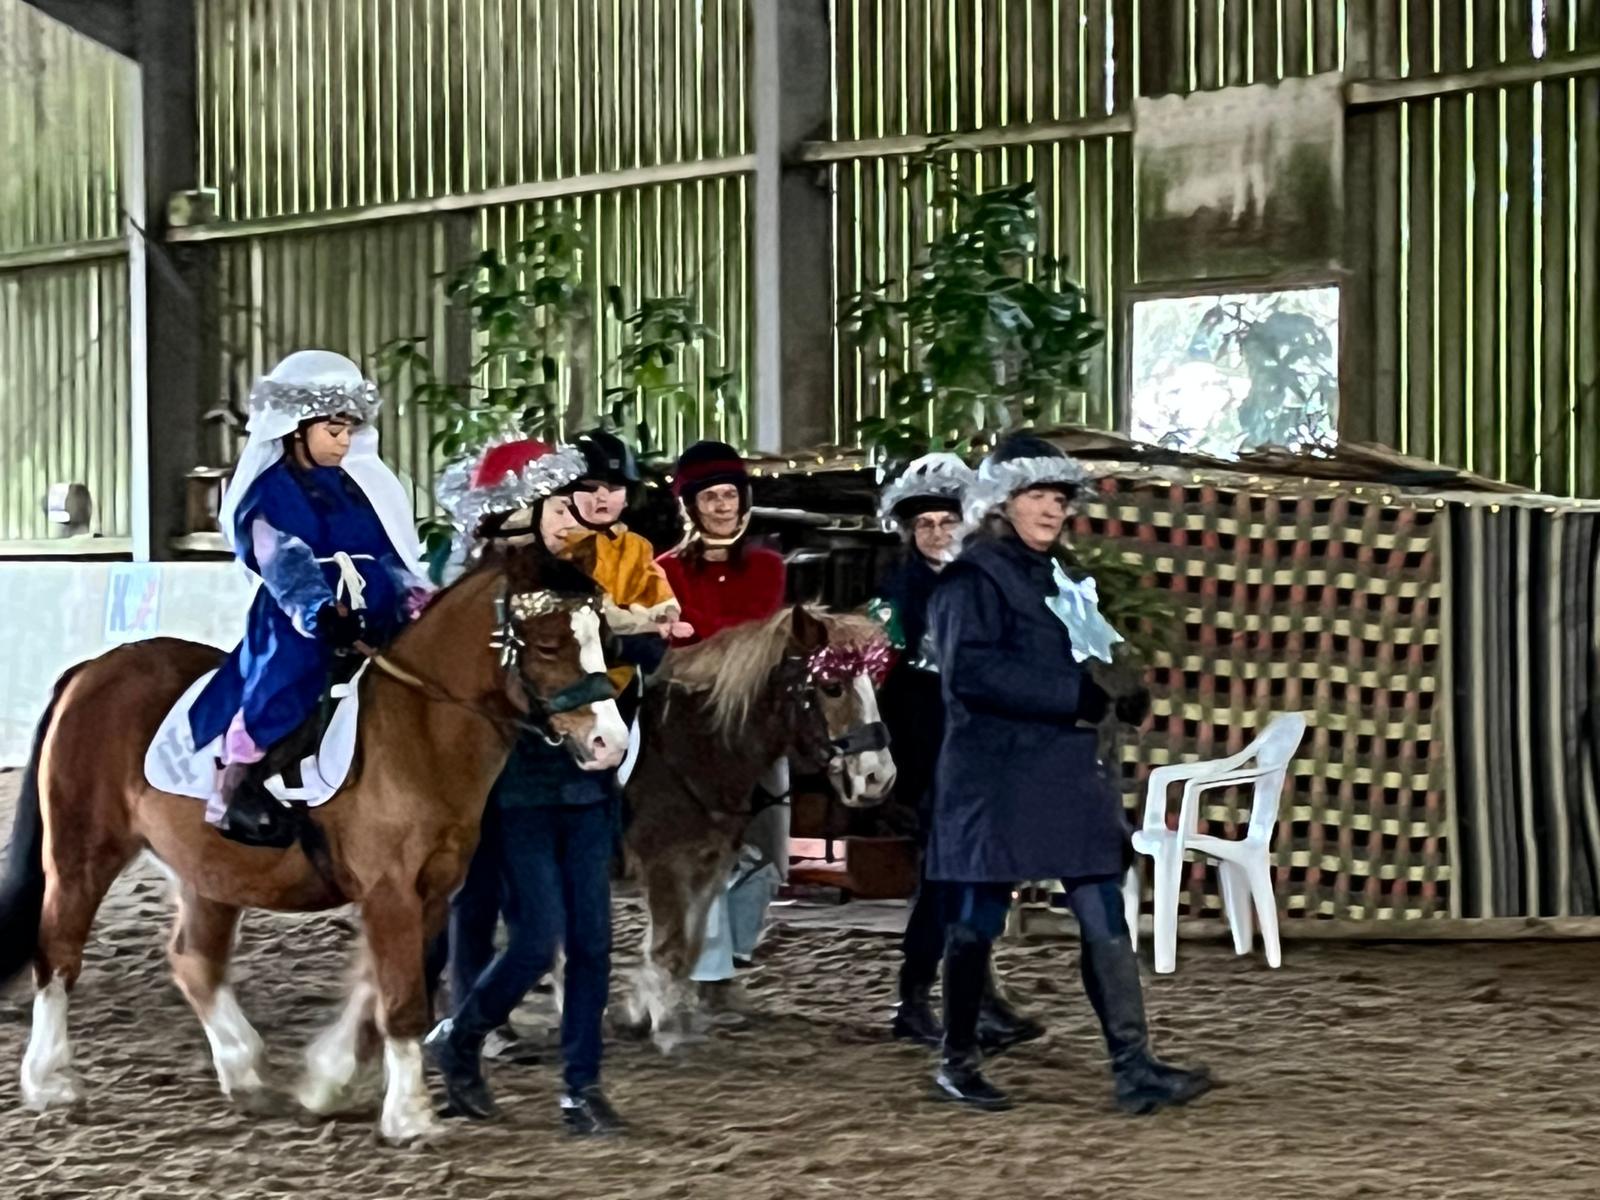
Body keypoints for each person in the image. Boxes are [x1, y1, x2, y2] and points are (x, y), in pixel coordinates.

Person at [924, 433, 1211, 1114]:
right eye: (1037, 496)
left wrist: (1124, 685)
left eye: (1058, 498)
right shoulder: (974, 577)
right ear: (1003, 501)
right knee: (978, 919)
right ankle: (957, 1060)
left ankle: (1133, 1067)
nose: (1052, 510)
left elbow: (1095, 648)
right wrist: (1074, 697)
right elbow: (973, 673)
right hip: (996, 773)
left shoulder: (1061, 574)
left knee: (1100, 904)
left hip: (1067, 770)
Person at [427, 437, 663, 1136]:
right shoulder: (484, 585)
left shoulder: (587, 574)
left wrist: (632, 643)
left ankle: (580, 1087)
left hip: (587, 781)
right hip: (517, 784)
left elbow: (604, 649)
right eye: (557, 503)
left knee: (593, 940)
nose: (571, 516)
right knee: (536, 939)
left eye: (571, 504)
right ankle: (461, 1037)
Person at [188, 349, 428, 849]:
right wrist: (319, 612)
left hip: (374, 609)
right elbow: (281, 556)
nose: (344, 441)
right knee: (291, 669)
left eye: (348, 431)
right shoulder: (270, 491)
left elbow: (389, 549)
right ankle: (242, 773)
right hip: (302, 614)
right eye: (333, 431)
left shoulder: (362, 486)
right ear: (298, 429)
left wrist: (414, 596)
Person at [870, 454, 1043, 1053]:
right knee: (944, 878)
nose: (938, 534)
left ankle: (979, 995)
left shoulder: (991, 581)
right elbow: (882, 673)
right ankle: (914, 996)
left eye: (948, 522)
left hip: (986, 746)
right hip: (930, 751)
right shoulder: (898, 596)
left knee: (982, 875)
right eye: (925, 526)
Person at [655, 440, 789, 976]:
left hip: (754, 722)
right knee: (696, 847)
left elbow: (761, 637)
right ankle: (703, 965)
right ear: (691, 506)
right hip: (688, 725)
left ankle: (734, 951)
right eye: (710, 497)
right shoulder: (664, 569)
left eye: (730, 494)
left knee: (768, 850)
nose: (722, 505)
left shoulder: (767, 566)